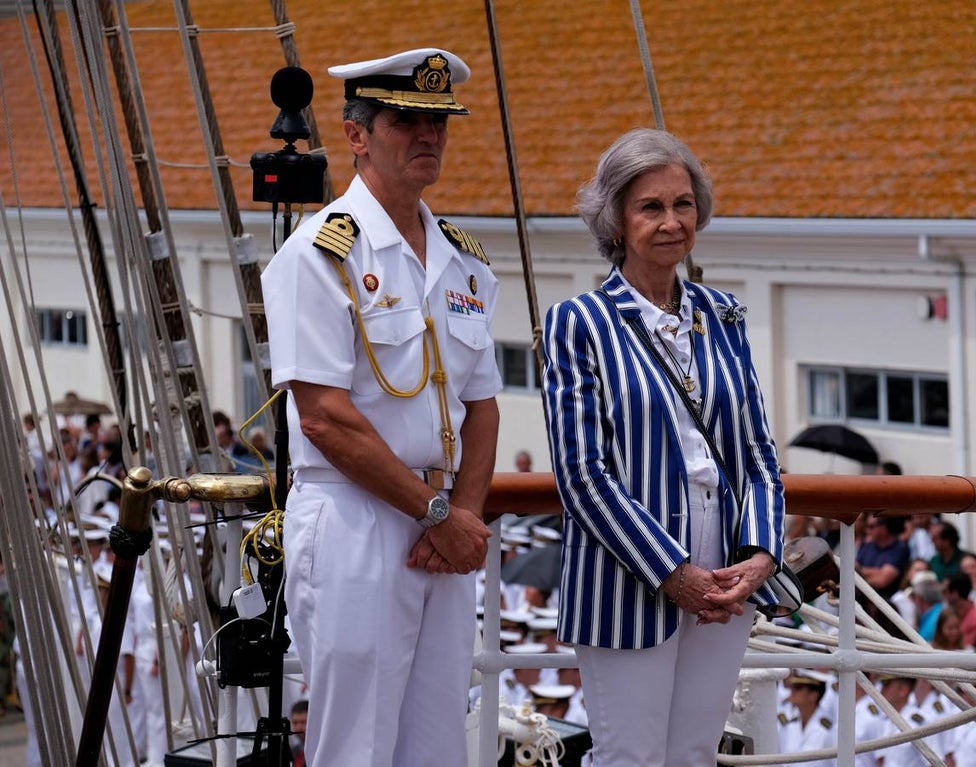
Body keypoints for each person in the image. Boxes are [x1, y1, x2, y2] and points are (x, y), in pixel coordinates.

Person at [261, 48, 499, 766]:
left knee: (435, 748)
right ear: (357, 135)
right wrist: (439, 516)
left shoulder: (465, 261)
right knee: (356, 748)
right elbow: (323, 418)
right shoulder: (319, 254)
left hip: (441, 528)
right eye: (406, 120)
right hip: (356, 523)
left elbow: (482, 406)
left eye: (438, 121)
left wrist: (464, 514)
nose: (428, 135)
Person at [540, 128, 785, 767]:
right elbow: (582, 474)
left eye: (683, 204)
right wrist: (672, 574)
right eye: (651, 207)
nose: (672, 221)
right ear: (616, 220)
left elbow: (757, 450)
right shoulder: (579, 322)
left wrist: (761, 553)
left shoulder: (724, 314)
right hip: (632, 570)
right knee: (631, 758)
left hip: (726, 570)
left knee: (695, 754)